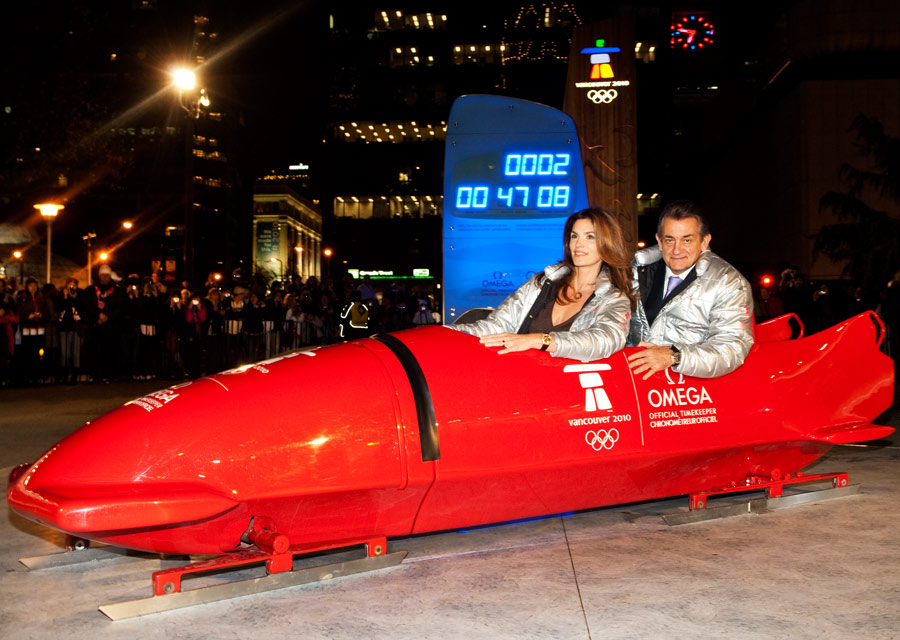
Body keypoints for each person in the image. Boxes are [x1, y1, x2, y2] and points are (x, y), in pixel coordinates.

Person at [449, 207, 634, 362]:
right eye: (574, 236)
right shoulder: (541, 284)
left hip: (572, 393)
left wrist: (540, 340)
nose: (579, 244)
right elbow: (495, 327)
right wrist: (445, 332)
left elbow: (604, 341)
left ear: (607, 243)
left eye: (590, 237)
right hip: (519, 382)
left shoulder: (613, 299)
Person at [626, 200, 753, 379]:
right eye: (670, 240)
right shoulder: (635, 273)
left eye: (687, 240)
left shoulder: (728, 282)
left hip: (690, 391)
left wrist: (675, 357)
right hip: (634, 381)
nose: (677, 250)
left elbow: (732, 348)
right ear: (659, 241)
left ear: (704, 241)